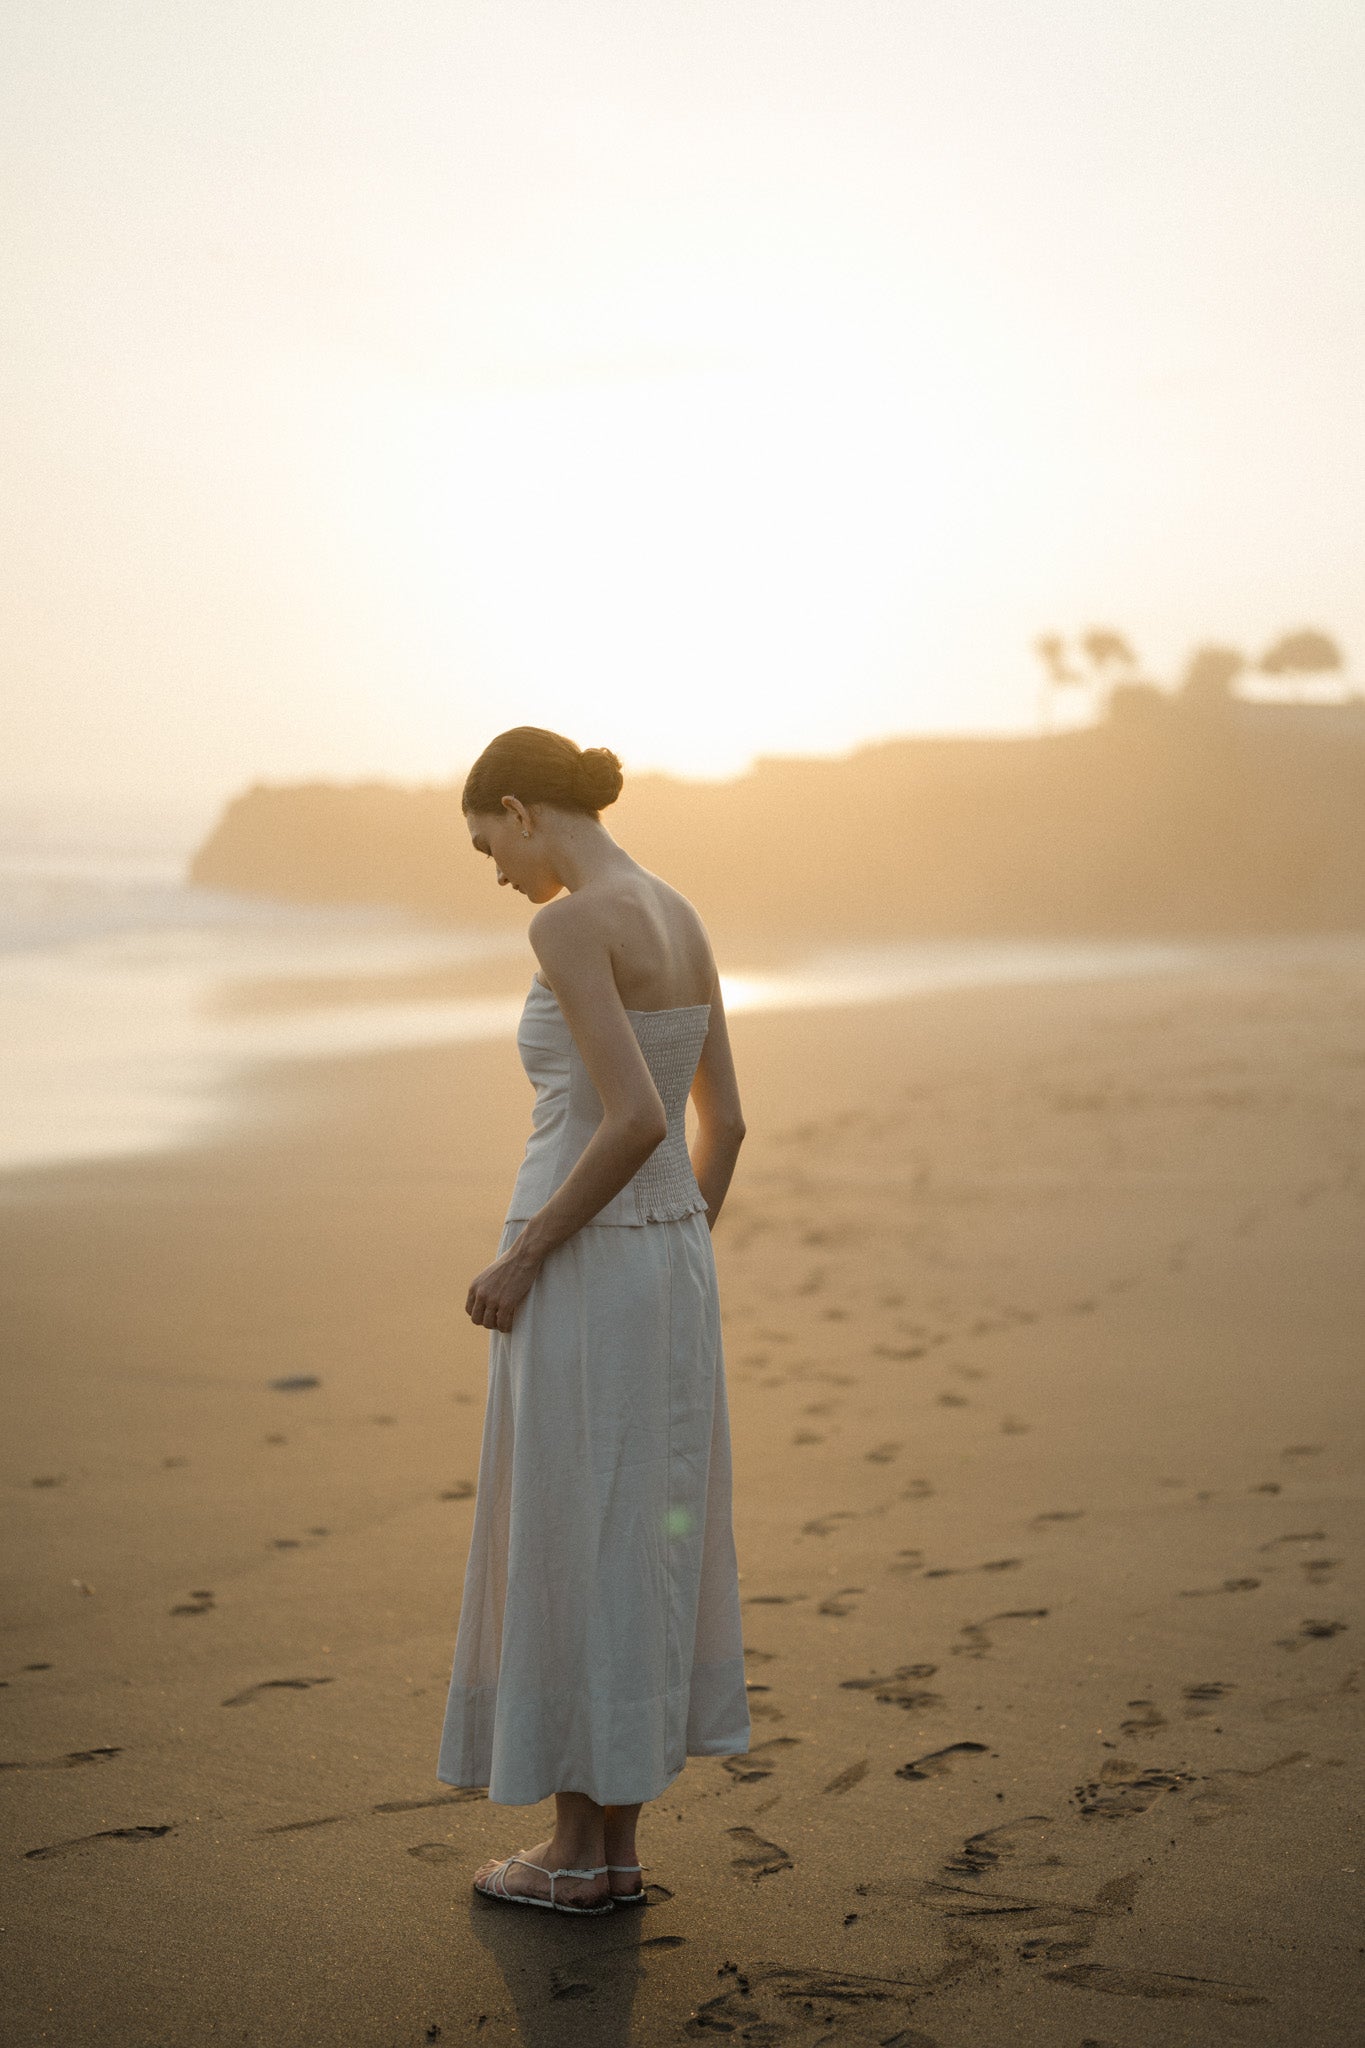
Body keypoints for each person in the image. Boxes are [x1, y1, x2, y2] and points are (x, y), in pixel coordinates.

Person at [435, 725, 751, 1915]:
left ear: (520, 808)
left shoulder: (570, 921)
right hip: (667, 1264)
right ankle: (610, 1850)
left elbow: (630, 1120)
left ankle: (575, 1857)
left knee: (576, 1533)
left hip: (581, 1262)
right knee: (638, 1540)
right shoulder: (681, 910)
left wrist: (526, 1256)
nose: (499, 874)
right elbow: (726, 1128)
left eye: (490, 844)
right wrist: (673, 1249)